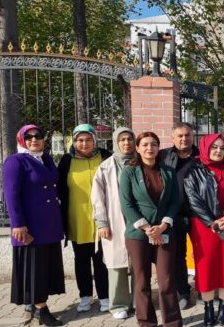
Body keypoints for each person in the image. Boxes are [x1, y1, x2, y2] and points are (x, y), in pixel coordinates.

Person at [119, 132, 182, 327]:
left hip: (165, 231)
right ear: (137, 148)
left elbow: (174, 201)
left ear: (158, 148)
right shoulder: (129, 172)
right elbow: (126, 204)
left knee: (166, 281)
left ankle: (172, 322)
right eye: (145, 144)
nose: (149, 148)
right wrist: (148, 228)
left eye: (154, 144)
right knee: (142, 282)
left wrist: (163, 226)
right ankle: (146, 322)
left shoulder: (169, 172)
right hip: (138, 235)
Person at [4, 125, 65, 326]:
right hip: (30, 226)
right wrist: (18, 224)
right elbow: (11, 196)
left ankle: (36, 305)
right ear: (21, 140)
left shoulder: (45, 158)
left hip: (49, 224)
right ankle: (41, 310)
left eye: (37, 136)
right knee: (35, 269)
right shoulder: (16, 161)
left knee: (44, 267)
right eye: (28, 137)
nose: (33, 140)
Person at [185, 134, 224, 326]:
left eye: (222, 148)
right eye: (214, 147)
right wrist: (211, 222)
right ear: (206, 148)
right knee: (206, 269)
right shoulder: (193, 170)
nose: (218, 151)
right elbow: (193, 199)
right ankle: (208, 309)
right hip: (204, 229)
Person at [57, 123, 111, 312]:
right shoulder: (66, 161)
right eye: (80, 140)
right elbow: (59, 189)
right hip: (76, 218)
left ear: (95, 140)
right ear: (74, 141)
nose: (84, 143)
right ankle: (85, 297)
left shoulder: (105, 156)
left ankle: (105, 296)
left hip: (102, 218)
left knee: (101, 260)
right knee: (81, 260)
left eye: (88, 139)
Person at [91, 127, 136, 320]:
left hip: (138, 222)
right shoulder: (106, 166)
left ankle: (138, 301)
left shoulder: (141, 162)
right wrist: (102, 223)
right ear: (116, 142)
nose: (127, 143)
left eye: (130, 139)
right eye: (122, 139)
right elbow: (97, 197)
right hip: (115, 222)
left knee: (138, 264)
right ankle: (118, 304)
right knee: (116, 264)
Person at [159, 122, 199, 309]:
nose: (184, 139)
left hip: (199, 215)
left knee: (203, 254)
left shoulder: (201, 155)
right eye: (180, 136)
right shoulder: (164, 156)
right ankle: (183, 291)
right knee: (178, 256)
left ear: (193, 136)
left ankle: (204, 289)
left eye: (187, 135)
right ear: (173, 138)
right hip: (174, 216)